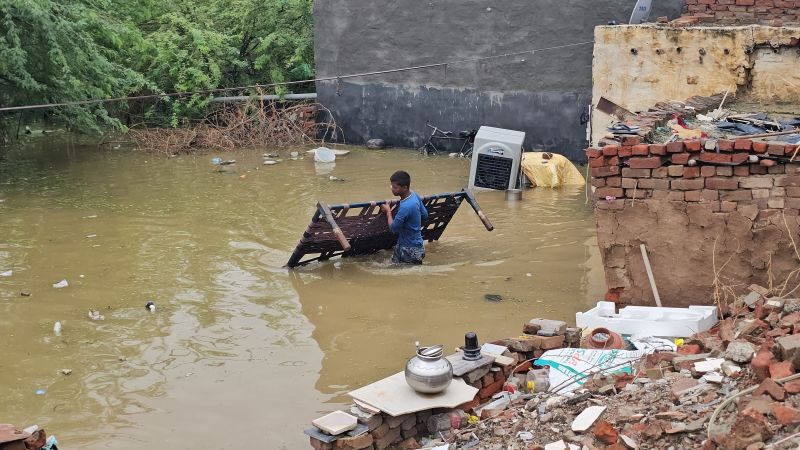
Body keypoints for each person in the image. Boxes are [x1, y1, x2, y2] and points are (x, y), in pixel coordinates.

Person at [381, 170, 429, 264]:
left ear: (404, 188)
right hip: (417, 246)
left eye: (395, 187)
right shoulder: (414, 195)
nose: (392, 189)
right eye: (391, 186)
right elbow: (425, 215)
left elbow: (393, 229)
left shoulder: (405, 207)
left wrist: (388, 212)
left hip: (408, 250)